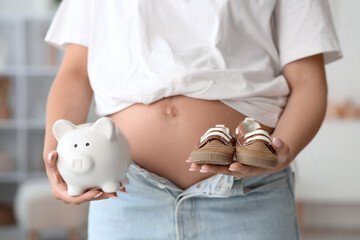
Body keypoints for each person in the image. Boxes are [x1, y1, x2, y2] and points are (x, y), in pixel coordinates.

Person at [42, 0, 341, 239]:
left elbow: (308, 83)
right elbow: (75, 74)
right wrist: (59, 156)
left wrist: (279, 152)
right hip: (126, 195)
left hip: (248, 198)